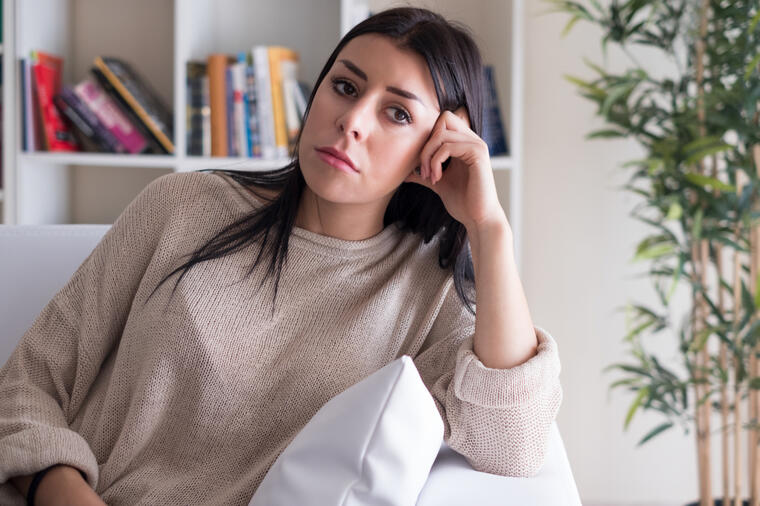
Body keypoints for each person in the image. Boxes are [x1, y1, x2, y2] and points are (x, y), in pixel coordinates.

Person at [0, 6, 563, 505]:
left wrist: (489, 229)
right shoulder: (183, 206)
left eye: (397, 114)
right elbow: (28, 381)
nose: (353, 121)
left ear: (437, 146)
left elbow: (513, 444)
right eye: (346, 87)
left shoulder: (428, 294)